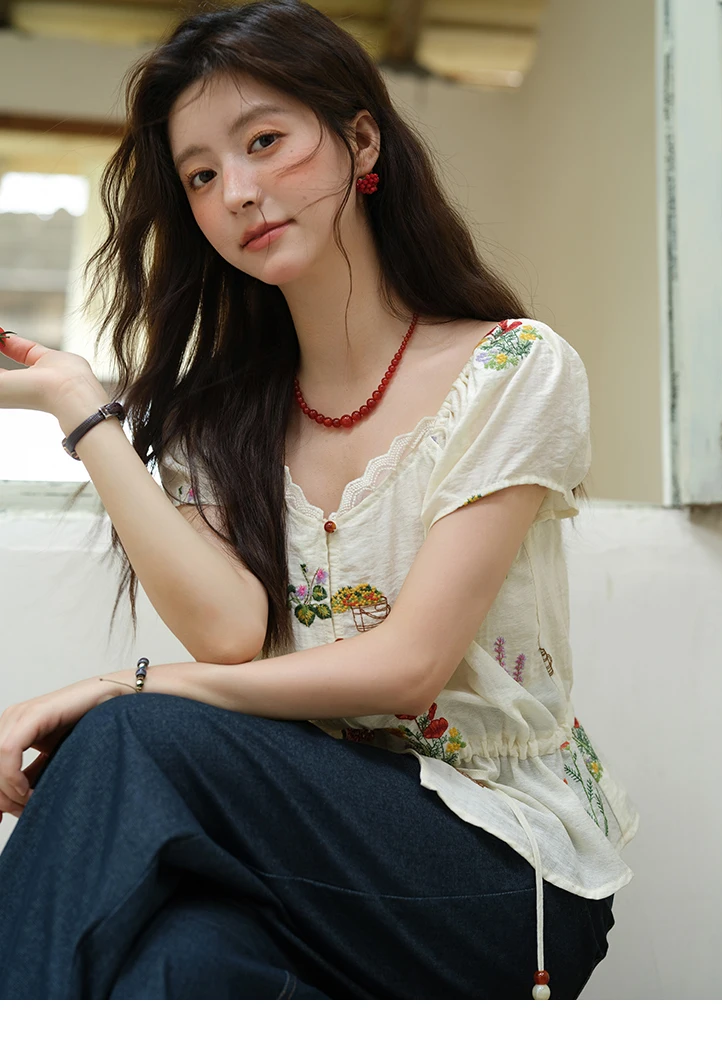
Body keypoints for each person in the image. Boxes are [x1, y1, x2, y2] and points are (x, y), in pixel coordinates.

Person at [0, 0, 639, 999]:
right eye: (201, 175)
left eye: (265, 142)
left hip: (501, 873)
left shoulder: (513, 369)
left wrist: (127, 685)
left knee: (131, 733)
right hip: (299, 858)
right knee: (174, 963)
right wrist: (81, 408)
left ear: (361, 140)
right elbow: (228, 633)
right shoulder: (221, 420)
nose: (238, 192)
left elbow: (409, 667)